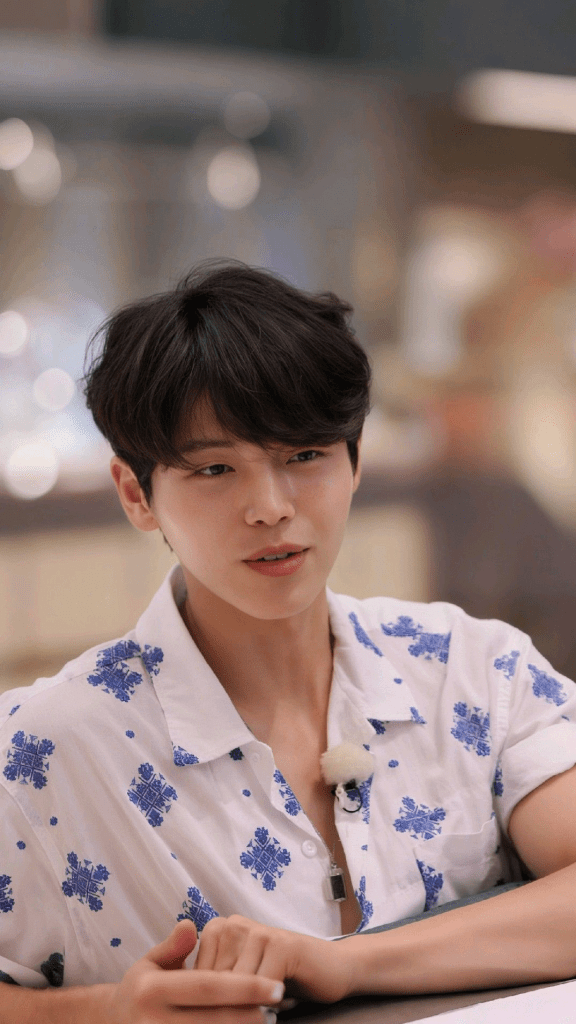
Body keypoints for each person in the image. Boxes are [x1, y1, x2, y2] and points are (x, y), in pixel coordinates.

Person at [2, 261, 576, 1024]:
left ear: (355, 460)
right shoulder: (40, 751)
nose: (271, 508)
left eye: (304, 456)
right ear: (137, 494)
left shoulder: (470, 668)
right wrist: (105, 1012)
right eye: (214, 468)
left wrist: (340, 967)